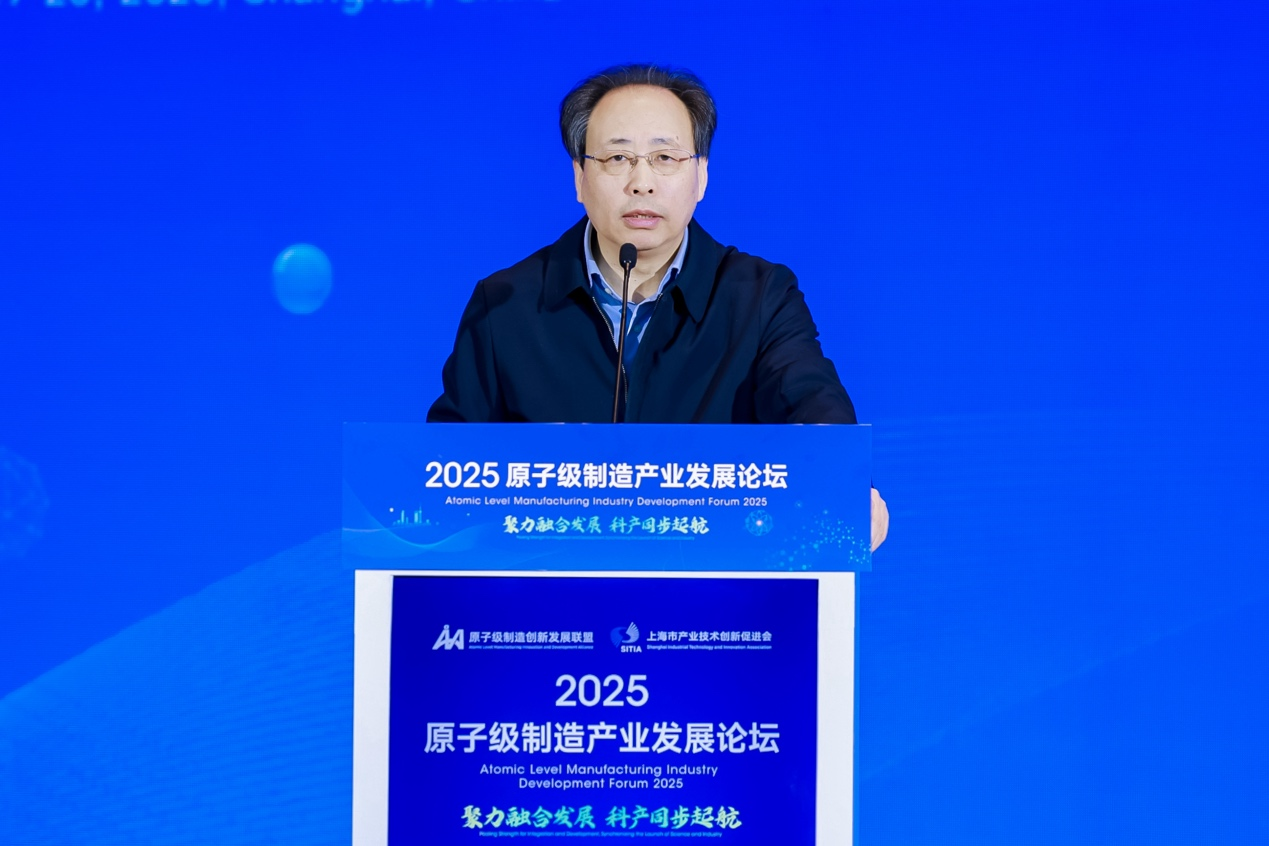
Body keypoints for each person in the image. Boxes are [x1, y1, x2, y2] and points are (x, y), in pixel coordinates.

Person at [428, 64, 888, 551]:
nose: (641, 182)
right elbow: (447, 473)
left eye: (665, 157)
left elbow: (811, 403)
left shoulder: (758, 295)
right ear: (579, 177)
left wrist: (841, 481)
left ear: (701, 176)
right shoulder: (505, 304)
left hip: (711, 578)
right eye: (618, 158)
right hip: (549, 578)